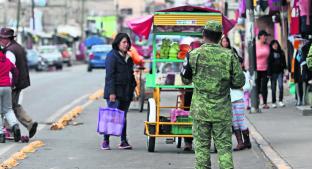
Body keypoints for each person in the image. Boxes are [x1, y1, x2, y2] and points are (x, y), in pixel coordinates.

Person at [181, 21, 245, 169]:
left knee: (202, 149)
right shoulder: (229, 55)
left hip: (200, 111)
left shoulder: (193, 55)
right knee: (224, 149)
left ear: (204, 35)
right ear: (220, 36)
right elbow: (239, 81)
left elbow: (185, 79)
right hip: (221, 112)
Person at [0, 28, 38, 138]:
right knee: (11, 105)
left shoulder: (10, 51)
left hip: (12, 83)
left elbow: (10, 69)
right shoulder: (18, 47)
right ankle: (17, 127)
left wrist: (12, 84)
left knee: (8, 107)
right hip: (19, 81)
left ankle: (13, 128)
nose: (1, 41)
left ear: (7, 39)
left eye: (2, 38)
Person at [103, 33, 136, 150]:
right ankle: (105, 141)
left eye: (127, 42)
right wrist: (112, 93)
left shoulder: (128, 57)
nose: (126, 45)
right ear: (117, 43)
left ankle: (123, 141)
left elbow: (131, 75)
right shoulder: (112, 56)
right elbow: (110, 76)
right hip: (114, 92)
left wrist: (133, 90)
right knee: (111, 116)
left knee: (123, 117)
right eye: (124, 42)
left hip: (126, 92)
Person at [0, 47, 21, 143]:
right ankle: (15, 125)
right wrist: (13, 83)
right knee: (8, 109)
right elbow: (16, 71)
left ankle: (1, 134)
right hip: (7, 87)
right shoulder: (7, 60)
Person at [267, 40, 287, 108]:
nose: (275, 46)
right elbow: (269, 64)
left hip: (280, 72)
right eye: (273, 45)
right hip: (273, 73)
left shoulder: (281, 52)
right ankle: (273, 102)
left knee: (281, 86)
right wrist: (269, 73)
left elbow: (284, 62)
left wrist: (285, 69)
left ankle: (280, 100)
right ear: (271, 46)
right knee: (273, 88)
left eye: (276, 44)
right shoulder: (270, 53)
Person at [256, 30, 270, 109]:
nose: (265, 37)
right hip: (257, 69)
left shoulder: (267, 45)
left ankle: (265, 103)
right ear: (260, 36)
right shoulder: (256, 45)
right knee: (257, 87)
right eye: (264, 36)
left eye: (266, 36)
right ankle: (257, 102)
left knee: (264, 86)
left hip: (266, 69)